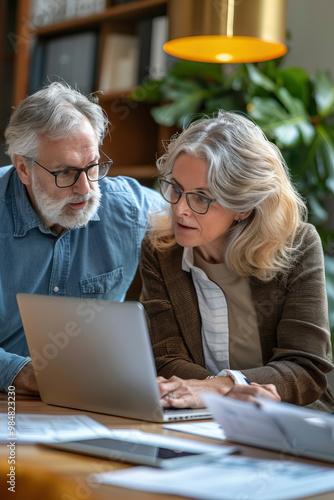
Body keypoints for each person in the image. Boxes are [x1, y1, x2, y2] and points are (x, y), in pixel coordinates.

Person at [139, 110, 334, 412]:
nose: (179, 210)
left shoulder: (297, 245)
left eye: (201, 198)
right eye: (176, 189)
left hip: (289, 422)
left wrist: (219, 389)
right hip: (198, 419)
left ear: (243, 207)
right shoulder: (161, 248)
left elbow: (305, 368)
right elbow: (165, 358)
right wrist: (219, 398)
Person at [0, 82, 164, 396]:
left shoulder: (126, 208)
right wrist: (20, 372)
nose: (86, 189)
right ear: (23, 167)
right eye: (65, 173)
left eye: (92, 167)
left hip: (88, 402)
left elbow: (201, 218)